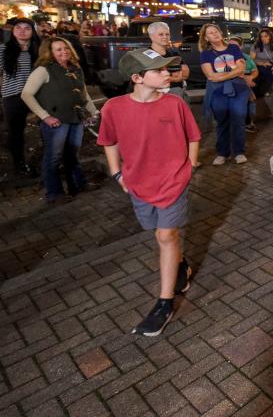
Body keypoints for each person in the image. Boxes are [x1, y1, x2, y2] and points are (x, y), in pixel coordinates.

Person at [98, 48, 201, 336]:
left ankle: (164, 302)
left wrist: (189, 166)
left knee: (165, 235)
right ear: (137, 78)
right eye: (159, 70)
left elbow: (193, 136)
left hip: (174, 181)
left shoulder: (174, 104)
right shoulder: (114, 108)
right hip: (138, 184)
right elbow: (109, 141)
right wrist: (116, 172)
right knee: (156, 232)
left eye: (167, 69)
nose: (167, 73)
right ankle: (180, 265)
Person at [21, 37, 99, 203]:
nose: (64, 51)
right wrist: (44, 116)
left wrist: (93, 111)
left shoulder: (75, 68)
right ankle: (54, 193)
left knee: (72, 155)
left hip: (75, 118)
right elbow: (26, 94)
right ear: (50, 52)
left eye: (66, 48)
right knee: (53, 157)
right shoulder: (43, 70)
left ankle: (78, 185)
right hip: (55, 121)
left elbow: (83, 93)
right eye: (58, 49)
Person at [198, 24, 249, 165]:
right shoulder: (205, 54)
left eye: (216, 31)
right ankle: (222, 153)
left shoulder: (233, 48)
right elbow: (211, 76)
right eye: (210, 33)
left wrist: (222, 75)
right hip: (218, 91)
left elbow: (242, 68)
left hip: (239, 90)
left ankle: (239, 152)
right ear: (206, 38)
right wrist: (234, 73)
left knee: (238, 120)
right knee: (222, 122)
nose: (215, 34)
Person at [1, 18, 41, 175]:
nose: (22, 30)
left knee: (48, 127)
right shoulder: (3, 50)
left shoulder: (39, 51)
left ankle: (50, 160)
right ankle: (20, 165)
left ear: (33, 32)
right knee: (15, 132)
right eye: (18, 27)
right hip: (13, 96)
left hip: (37, 96)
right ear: (13, 31)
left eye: (27, 28)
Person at [147, 21, 190, 99]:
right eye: (161, 34)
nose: (165, 37)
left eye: (167, 34)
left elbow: (185, 74)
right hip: (154, 96)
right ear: (151, 36)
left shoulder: (174, 54)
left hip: (177, 94)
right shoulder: (146, 55)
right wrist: (176, 78)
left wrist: (166, 77)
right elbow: (150, 79)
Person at [227, 36, 259, 133]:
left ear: (241, 47)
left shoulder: (246, 57)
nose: (232, 47)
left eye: (235, 45)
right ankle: (246, 123)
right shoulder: (226, 58)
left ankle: (248, 122)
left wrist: (250, 78)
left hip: (246, 79)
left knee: (251, 97)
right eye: (230, 45)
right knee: (250, 96)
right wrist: (247, 80)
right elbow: (230, 73)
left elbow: (255, 71)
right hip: (233, 80)